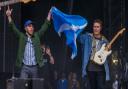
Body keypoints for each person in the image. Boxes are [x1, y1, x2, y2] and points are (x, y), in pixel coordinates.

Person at [6, 6, 52, 78]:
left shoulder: (37, 36)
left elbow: (44, 27)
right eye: (29, 26)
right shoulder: (22, 36)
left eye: (32, 26)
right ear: (25, 28)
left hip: (34, 67)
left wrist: (49, 15)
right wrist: (9, 16)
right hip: (25, 67)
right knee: (22, 85)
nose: (31, 28)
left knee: (35, 85)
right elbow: (13, 28)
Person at [78, 19, 111, 89]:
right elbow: (78, 37)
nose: (95, 28)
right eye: (94, 27)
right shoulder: (87, 37)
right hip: (90, 68)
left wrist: (109, 48)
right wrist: (81, 27)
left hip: (101, 68)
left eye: (97, 27)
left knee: (100, 86)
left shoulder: (105, 41)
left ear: (100, 28)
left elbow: (107, 55)